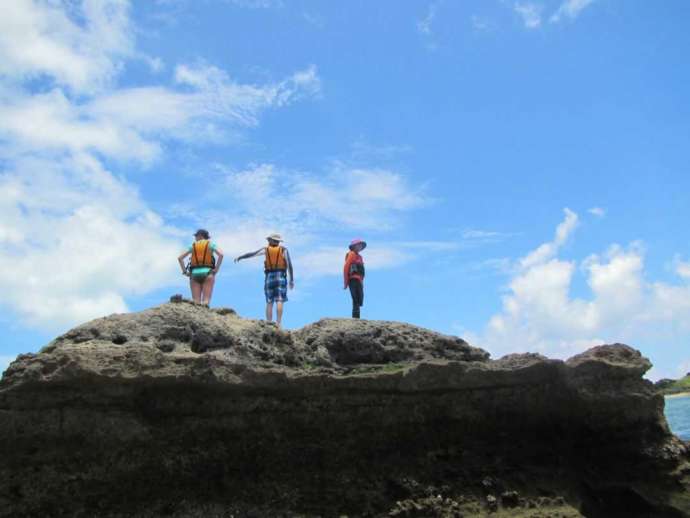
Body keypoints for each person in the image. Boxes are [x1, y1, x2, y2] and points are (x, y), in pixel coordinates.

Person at [234, 233, 294, 327]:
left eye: (269, 240)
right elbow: (289, 265)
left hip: (269, 276)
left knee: (269, 301)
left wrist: (241, 257)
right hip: (280, 275)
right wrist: (291, 280)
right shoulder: (284, 250)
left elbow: (252, 254)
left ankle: (269, 323)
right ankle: (278, 323)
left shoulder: (265, 250)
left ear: (271, 240)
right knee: (279, 299)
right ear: (278, 242)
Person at [177, 229, 224, 306]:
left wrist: (185, 272)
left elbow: (180, 258)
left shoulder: (193, 245)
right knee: (206, 302)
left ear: (200, 236)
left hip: (194, 274)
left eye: (196, 236)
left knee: (196, 303)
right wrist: (216, 270)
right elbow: (221, 255)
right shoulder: (210, 244)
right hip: (208, 273)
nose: (195, 238)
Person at [344, 238, 366, 319]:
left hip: (359, 280)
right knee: (355, 298)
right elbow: (346, 267)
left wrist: (361, 282)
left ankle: (357, 317)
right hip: (352, 280)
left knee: (360, 299)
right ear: (354, 246)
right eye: (358, 245)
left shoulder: (360, 257)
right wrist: (346, 282)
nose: (360, 247)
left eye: (361, 245)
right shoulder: (351, 254)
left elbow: (361, 271)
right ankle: (355, 317)